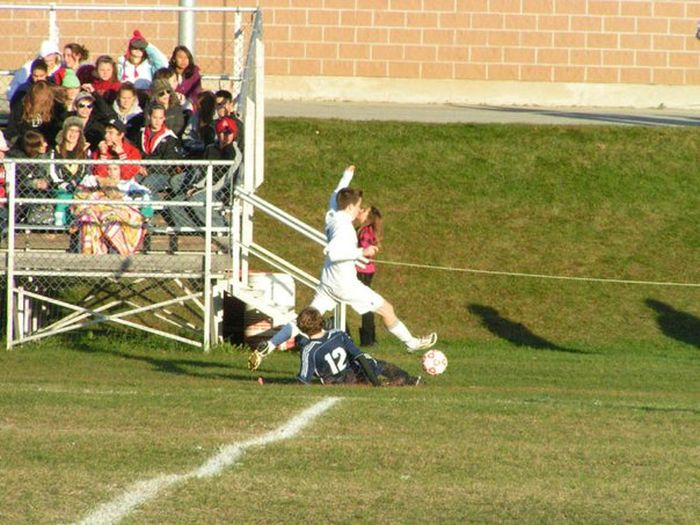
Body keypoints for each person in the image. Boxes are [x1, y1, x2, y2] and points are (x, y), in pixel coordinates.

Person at [249, 166, 437, 370]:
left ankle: (269, 344)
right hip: (345, 285)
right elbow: (333, 253)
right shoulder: (345, 229)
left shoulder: (332, 213)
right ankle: (411, 343)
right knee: (387, 309)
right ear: (350, 208)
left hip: (328, 283)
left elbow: (335, 193)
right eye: (358, 206)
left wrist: (347, 175)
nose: (359, 209)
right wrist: (362, 253)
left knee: (304, 319)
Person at [294, 307, 421, 386]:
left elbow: (304, 380)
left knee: (364, 365)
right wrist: (375, 382)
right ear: (321, 321)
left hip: (338, 385)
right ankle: (408, 379)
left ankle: (388, 383)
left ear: (301, 328)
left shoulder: (309, 350)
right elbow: (359, 356)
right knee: (373, 362)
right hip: (356, 376)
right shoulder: (338, 334)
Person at [136, 104, 183, 193]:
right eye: (155, 118)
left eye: (160, 118)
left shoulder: (170, 137)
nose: (157, 121)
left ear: (164, 118)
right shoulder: (141, 133)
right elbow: (135, 152)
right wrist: (138, 166)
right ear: (149, 117)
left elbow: (167, 162)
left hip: (162, 173)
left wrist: (148, 168)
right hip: (140, 169)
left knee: (146, 185)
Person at [7, 80, 66, 149]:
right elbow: (12, 130)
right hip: (24, 145)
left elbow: (57, 129)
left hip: (47, 145)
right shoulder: (20, 107)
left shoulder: (56, 108)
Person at [356, 206, 382, 346]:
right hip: (365, 270)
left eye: (364, 210)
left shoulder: (365, 231)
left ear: (368, 217)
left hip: (362, 271)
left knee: (364, 303)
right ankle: (369, 338)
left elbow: (367, 250)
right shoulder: (365, 230)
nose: (360, 210)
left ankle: (368, 339)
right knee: (365, 302)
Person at [169, 45, 202, 109]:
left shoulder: (194, 72)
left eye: (186, 57)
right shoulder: (168, 72)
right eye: (180, 57)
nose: (183, 60)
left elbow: (196, 90)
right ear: (174, 59)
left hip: (189, 104)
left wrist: (189, 101)